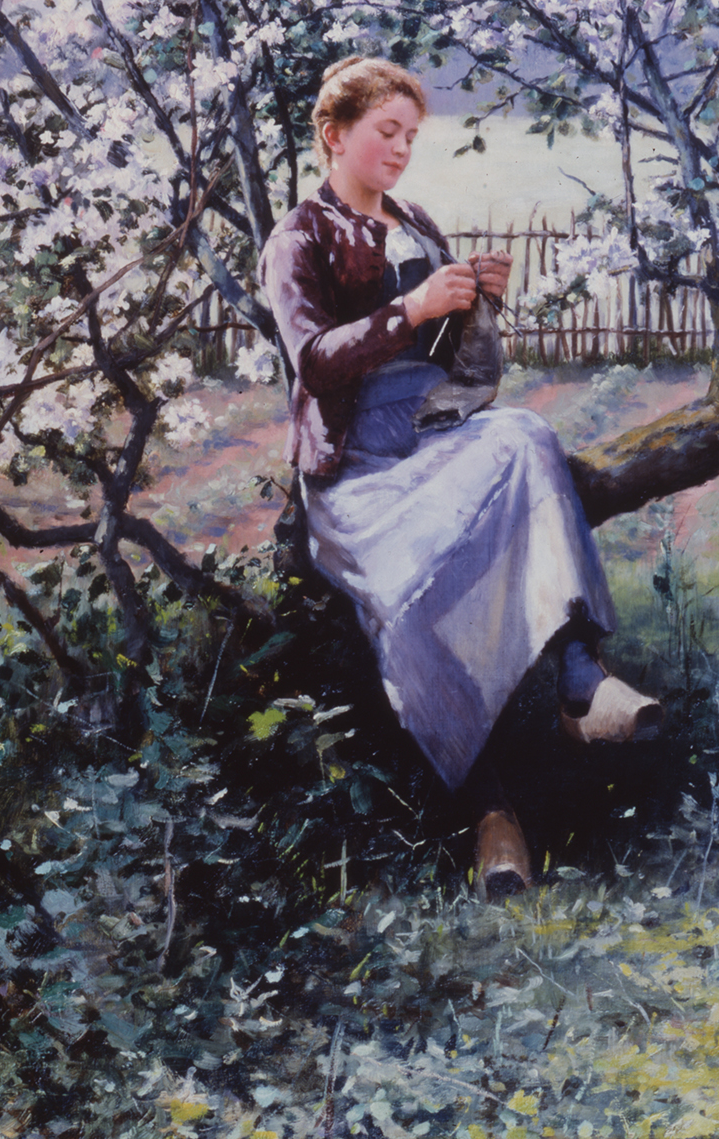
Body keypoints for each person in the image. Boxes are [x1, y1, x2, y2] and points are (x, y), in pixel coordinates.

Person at [258, 57, 661, 897]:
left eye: (411, 135)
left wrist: (472, 304)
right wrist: (410, 308)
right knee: (414, 596)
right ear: (334, 135)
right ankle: (490, 815)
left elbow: (448, 364)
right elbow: (313, 362)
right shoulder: (299, 236)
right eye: (386, 133)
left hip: (433, 439)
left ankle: (580, 679)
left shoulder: (415, 223)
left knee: (521, 434)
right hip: (358, 473)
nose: (401, 150)